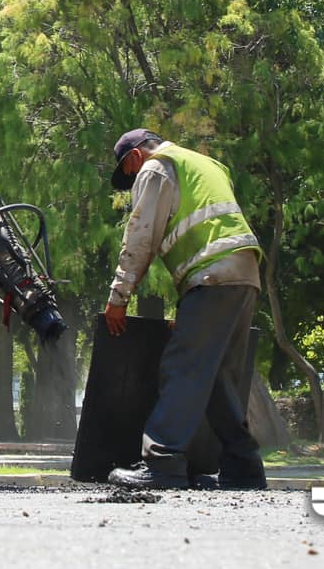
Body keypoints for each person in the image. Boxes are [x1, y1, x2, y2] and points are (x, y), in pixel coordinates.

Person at [102, 128, 268, 491]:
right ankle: (244, 468)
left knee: (182, 366)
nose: (133, 183)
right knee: (219, 378)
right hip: (243, 275)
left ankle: (162, 462)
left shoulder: (155, 168)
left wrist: (119, 297)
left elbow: (141, 236)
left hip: (212, 275)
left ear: (134, 159)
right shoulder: (206, 164)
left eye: (128, 177)